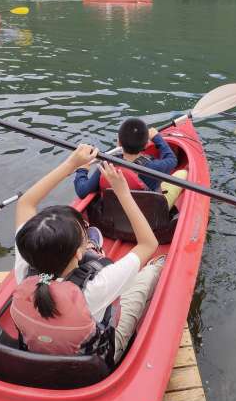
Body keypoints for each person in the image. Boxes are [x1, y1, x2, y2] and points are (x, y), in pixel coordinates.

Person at [10, 145, 164, 364]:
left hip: (37, 350)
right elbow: (149, 244)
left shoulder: (25, 266)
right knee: (148, 273)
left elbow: (26, 202)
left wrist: (71, 164)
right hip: (91, 363)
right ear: (77, 253)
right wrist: (122, 192)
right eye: (83, 234)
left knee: (101, 268)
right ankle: (154, 266)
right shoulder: (97, 287)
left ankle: (91, 249)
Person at [74, 118, 186, 209]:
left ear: (119, 142)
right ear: (146, 144)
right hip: (147, 216)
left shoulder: (106, 165)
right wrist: (157, 138)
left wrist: (82, 170)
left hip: (114, 218)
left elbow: (82, 191)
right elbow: (172, 159)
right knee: (182, 173)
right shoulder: (154, 167)